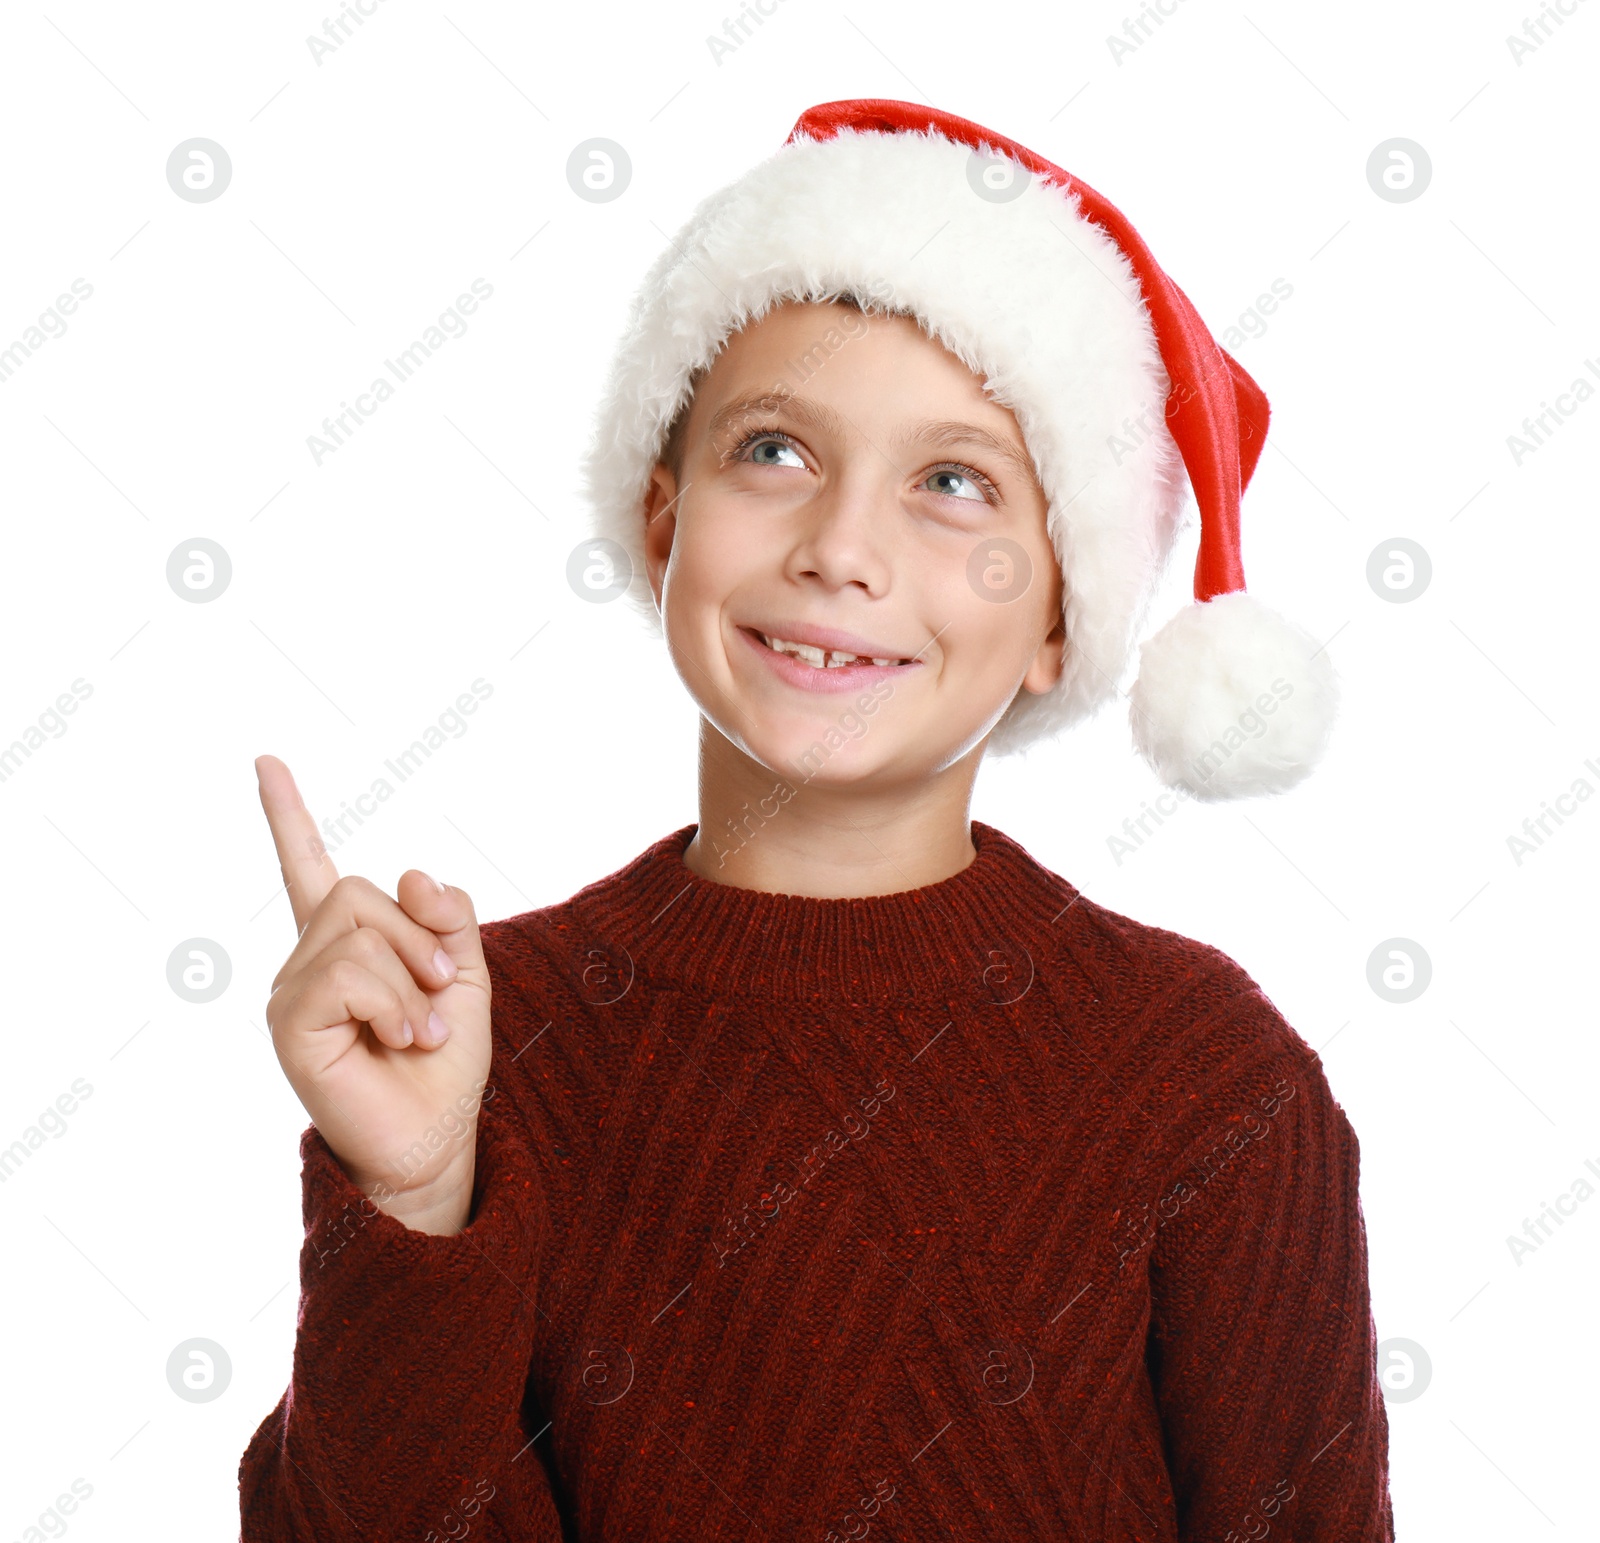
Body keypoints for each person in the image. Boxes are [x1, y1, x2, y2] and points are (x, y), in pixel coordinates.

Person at [239, 100, 1392, 1540]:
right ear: (663, 526)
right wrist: (411, 1202)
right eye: (775, 451)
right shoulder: (480, 1039)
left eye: (954, 482)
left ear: (1058, 616)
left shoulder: (1205, 1079)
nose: (841, 548)